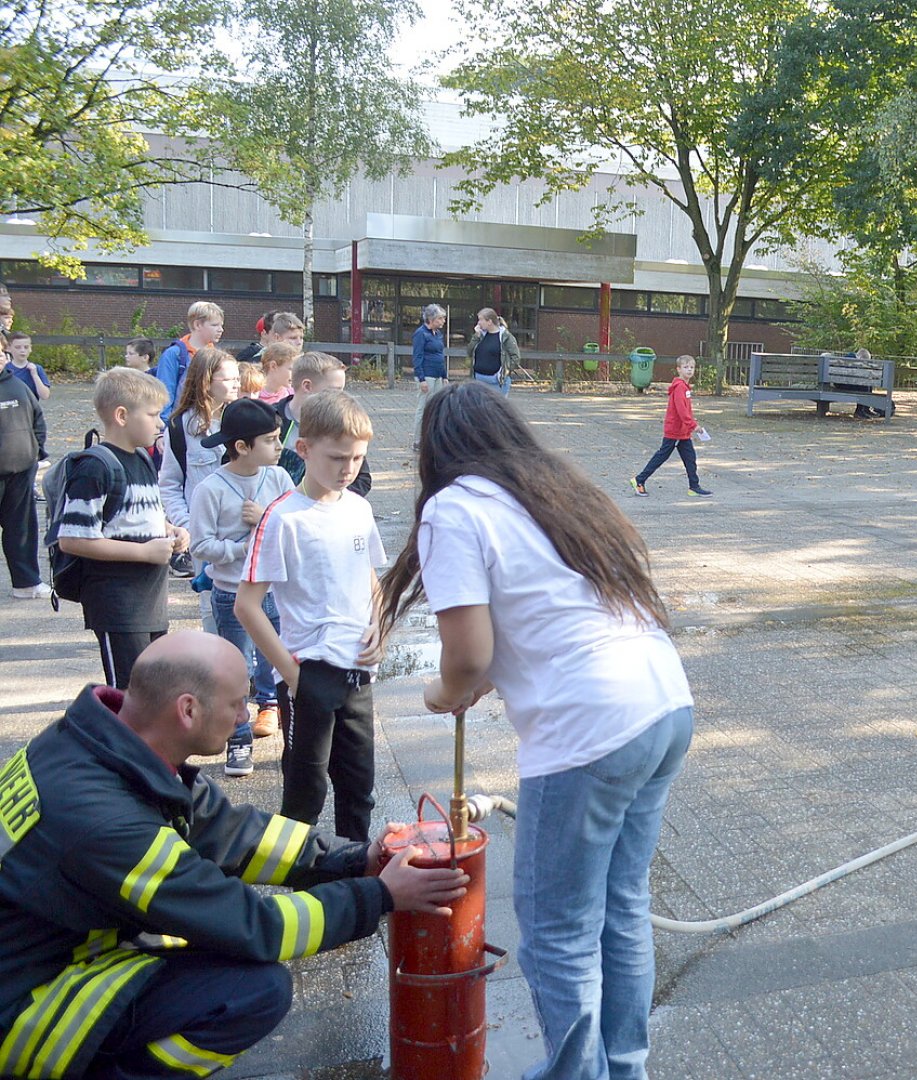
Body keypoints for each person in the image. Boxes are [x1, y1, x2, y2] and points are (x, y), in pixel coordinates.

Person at [377, 383, 693, 1080]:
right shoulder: (554, 490)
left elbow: (466, 657)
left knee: (557, 932)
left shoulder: (454, 509)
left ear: (434, 451)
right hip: (663, 704)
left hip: (589, 732)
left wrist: (443, 694)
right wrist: (476, 678)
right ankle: (624, 1068)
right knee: (621, 909)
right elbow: (538, 623)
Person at [0, 631, 469, 1080]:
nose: (246, 714)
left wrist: (354, 858)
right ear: (188, 710)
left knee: (201, 940)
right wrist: (380, 895)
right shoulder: (106, 821)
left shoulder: (96, 745)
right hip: (22, 1003)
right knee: (254, 991)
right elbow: (256, 926)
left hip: (55, 946)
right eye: (236, 702)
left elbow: (231, 833)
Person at [237, 390, 385, 842]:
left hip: (359, 670)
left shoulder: (359, 508)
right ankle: (302, 884)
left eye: (358, 458)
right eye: (338, 457)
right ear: (303, 449)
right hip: (310, 671)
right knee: (305, 791)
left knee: (359, 789)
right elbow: (247, 604)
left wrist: (379, 626)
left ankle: (357, 878)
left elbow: (372, 580)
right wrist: (292, 674)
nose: (348, 469)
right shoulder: (283, 518)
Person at [54, 368, 191, 688]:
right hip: (118, 606)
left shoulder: (142, 459)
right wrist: (143, 552)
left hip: (151, 602)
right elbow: (72, 539)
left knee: (154, 692)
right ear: (121, 415)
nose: (160, 423)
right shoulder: (95, 467)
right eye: (154, 414)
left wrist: (170, 530)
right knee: (130, 695)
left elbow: (138, 516)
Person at [191, 399, 295, 775]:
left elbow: (293, 525)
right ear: (241, 447)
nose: (279, 446)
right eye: (270, 440)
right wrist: (246, 545)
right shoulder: (211, 489)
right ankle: (237, 741)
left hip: (276, 594)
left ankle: (292, 740)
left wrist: (265, 518)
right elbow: (200, 545)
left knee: (281, 667)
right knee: (236, 670)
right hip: (232, 595)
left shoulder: (280, 478)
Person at [159, 346, 239, 597]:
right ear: (206, 382)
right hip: (204, 537)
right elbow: (170, 484)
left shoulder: (245, 420)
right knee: (210, 604)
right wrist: (188, 526)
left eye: (238, 378)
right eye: (228, 379)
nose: (236, 384)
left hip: (242, 532)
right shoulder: (178, 427)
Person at [272, 351, 372, 496]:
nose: (340, 397)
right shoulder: (269, 418)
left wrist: (328, 498)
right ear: (307, 386)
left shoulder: (340, 420)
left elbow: (362, 479)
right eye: (334, 391)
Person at [0, 356, 48, 599]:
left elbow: (38, 422)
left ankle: (27, 584)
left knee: (21, 529)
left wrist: (36, 452)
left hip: (20, 471)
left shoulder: (19, 387)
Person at [631, 354, 712, 498]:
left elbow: (686, 410)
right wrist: (693, 425)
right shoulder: (680, 387)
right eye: (686, 367)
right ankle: (639, 480)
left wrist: (689, 426)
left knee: (690, 458)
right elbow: (681, 410)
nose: (689, 370)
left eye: (692, 367)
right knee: (661, 457)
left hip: (683, 432)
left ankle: (694, 486)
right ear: (678, 369)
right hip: (674, 431)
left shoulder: (685, 387)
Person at [155, 301, 226, 422]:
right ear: (197, 325)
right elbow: (165, 394)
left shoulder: (218, 357)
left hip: (210, 422)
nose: (221, 330)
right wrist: (164, 430)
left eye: (221, 325)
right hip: (179, 424)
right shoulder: (174, 355)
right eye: (215, 325)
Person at [412, 304, 449, 444]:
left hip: (438, 375)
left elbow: (441, 355)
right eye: (440, 318)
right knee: (424, 407)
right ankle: (418, 440)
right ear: (431, 319)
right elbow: (417, 357)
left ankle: (434, 437)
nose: (443, 321)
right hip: (426, 375)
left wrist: (444, 375)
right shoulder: (420, 333)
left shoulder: (438, 334)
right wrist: (421, 379)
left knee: (438, 407)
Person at [467, 308, 520, 394]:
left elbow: (515, 357)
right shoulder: (480, 336)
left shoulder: (505, 337)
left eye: (481, 320)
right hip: (478, 379)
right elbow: (469, 351)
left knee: (495, 406)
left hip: (496, 381)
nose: (478, 323)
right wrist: (476, 335)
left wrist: (504, 371)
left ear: (489, 322)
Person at [3, 331, 51, 401]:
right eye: (18, 347)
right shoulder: (4, 369)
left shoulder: (37, 369)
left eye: (26, 347)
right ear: (9, 348)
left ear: (30, 349)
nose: (22, 350)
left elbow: (45, 396)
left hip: (30, 409)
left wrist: (35, 375)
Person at [257, 340, 297, 404]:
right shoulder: (253, 394)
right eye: (291, 369)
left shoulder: (293, 395)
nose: (295, 373)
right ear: (273, 366)